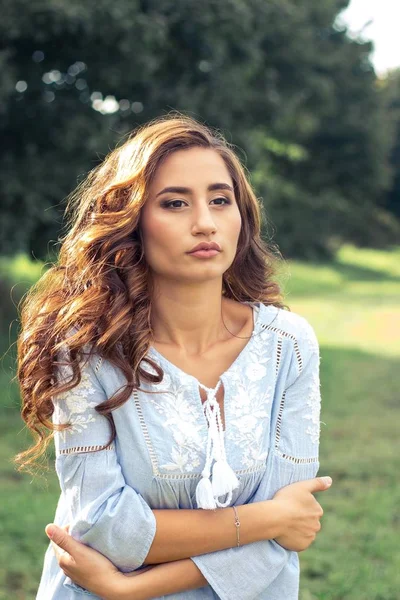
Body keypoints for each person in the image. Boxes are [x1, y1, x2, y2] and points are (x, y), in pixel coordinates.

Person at [15, 112, 332, 600]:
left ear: (241, 216)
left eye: (220, 200)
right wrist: (265, 518)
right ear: (132, 222)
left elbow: (289, 531)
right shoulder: (84, 352)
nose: (205, 222)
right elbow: (106, 526)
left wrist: (129, 589)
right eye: (175, 203)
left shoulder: (288, 345)